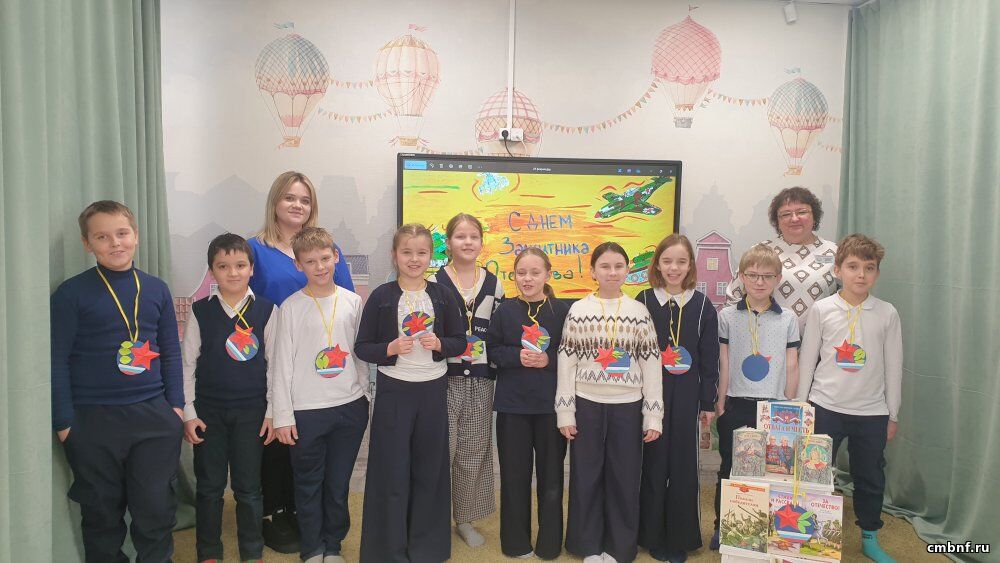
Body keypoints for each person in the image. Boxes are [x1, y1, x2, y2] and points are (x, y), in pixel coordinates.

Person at [51, 200, 184, 562]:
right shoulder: (70, 294)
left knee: (155, 511)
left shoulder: (156, 289)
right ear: (87, 243)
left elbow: (171, 353)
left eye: (122, 233)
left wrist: (175, 408)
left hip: (154, 419)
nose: (115, 243)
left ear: (136, 236)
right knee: (101, 515)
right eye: (102, 237)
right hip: (93, 421)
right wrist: (65, 425)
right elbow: (57, 360)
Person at [247, 171, 354, 552]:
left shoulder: (326, 247)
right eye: (290, 198)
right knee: (278, 438)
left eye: (305, 200)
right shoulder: (255, 249)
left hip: (323, 367)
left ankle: (302, 511)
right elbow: (240, 301)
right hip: (272, 359)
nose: (297, 205)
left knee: (309, 449)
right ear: (275, 201)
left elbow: (347, 304)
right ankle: (275, 512)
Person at [356, 224, 467, 563]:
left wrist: (441, 344)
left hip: (432, 390)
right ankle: (387, 550)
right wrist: (388, 348)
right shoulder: (382, 296)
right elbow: (363, 347)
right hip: (394, 391)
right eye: (407, 252)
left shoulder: (443, 295)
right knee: (391, 470)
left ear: (431, 256)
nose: (414, 259)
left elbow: (459, 342)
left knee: (430, 470)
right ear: (395, 255)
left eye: (421, 253)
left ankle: (427, 549)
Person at [796, 234, 902, 563]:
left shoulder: (886, 313)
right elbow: (807, 360)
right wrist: (802, 406)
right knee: (814, 473)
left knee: (870, 477)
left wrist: (892, 414)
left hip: (871, 413)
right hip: (824, 407)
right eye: (853, 267)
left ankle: (869, 537)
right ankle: (808, 533)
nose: (861, 274)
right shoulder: (822, 309)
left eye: (869, 268)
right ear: (837, 270)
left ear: (877, 273)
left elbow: (894, 366)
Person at [556, 242, 663, 563]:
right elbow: (566, 362)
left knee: (624, 477)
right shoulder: (578, 310)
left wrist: (653, 416)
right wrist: (565, 412)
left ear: (628, 270)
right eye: (605, 266)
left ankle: (619, 548)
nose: (612, 272)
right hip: (586, 404)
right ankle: (587, 546)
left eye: (618, 266)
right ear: (593, 271)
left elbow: (652, 364)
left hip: (628, 406)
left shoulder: (639, 312)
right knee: (585, 475)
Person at [272, 227, 370, 563]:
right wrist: (283, 416)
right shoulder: (290, 308)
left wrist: (364, 396)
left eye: (325, 258)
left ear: (336, 257)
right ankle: (312, 548)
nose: (320, 266)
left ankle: (333, 546)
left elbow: (360, 354)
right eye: (310, 261)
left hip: (349, 408)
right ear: (298, 265)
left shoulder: (353, 302)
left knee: (338, 484)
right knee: (308, 483)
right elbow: (281, 365)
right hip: (307, 411)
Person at [182, 233, 277, 563]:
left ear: (251, 269)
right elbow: (187, 363)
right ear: (212, 271)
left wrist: (272, 411)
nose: (232, 273)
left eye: (240, 265)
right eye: (223, 266)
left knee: (248, 488)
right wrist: (189, 412)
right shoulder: (200, 311)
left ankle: (252, 551)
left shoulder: (267, 310)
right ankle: (209, 552)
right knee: (209, 486)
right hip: (208, 412)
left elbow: (276, 365)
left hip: (252, 412)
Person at [635, 234, 719, 563]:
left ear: (691, 266)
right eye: (667, 261)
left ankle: (680, 538)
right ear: (657, 264)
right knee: (653, 463)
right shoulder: (643, 300)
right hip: (649, 394)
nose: (674, 268)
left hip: (687, 396)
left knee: (683, 467)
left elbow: (709, 357)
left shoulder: (702, 305)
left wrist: (708, 402)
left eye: (681, 262)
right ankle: (650, 534)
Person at [712, 244, 800, 549]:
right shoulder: (727, 316)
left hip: (776, 407)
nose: (759, 282)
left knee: (773, 473)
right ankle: (722, 527)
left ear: (778, 279)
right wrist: (720, 404)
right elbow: (723, 361)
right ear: (741, 277)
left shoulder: (787, 318)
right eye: (752, 275)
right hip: (736, 403)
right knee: (729, 469)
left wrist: (791, 402)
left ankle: (766, 531)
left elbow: (792, 362)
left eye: (767, 276)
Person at [486, 248, 570, 560]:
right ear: (514, 276)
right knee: (514, 478)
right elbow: (492, 349)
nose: (527, 279)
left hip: (552, 409)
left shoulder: (563, 311)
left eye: (535, 272)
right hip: (513, 409)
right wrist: (516, 356)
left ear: (548, 274)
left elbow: (573, 354)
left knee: (552, 480)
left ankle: (550, 545)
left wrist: (549, 360)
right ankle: (515, 543)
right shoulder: (505, 311)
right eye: (521, 273)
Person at [428, 213, 504, 547]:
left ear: (481, 242)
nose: (467, 242)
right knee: (439, 450)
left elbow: (500, 332)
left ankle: (465, 518)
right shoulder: (434, 282)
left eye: (473, 236)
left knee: (474, 451)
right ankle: (432, 518)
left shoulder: (495, 284)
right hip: (443, 378)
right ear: (448, 242)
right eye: (460, 236)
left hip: (482, 380)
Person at [725, 187, 838, 329]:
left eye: (802, 212)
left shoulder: (834, 252)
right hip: (767, 338)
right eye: (785, 214)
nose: (794, 218)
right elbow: (734, 297)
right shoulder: (761, 251)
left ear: (814, 215)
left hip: (822, 338)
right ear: (777, 220)